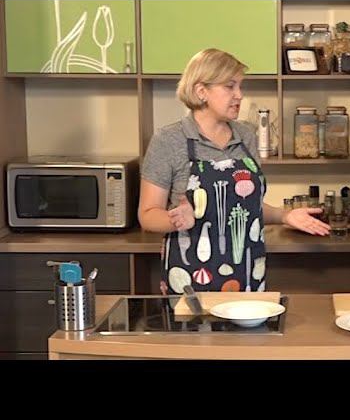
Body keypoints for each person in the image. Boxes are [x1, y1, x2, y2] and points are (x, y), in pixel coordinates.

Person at [139, 48, 330, 294]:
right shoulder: (169, 140)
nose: (239, 95)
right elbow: (147, 215)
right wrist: (175, 220)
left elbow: (245, 205)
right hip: (191, 276)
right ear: (201, 91)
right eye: (230, 86)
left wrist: (285, 216)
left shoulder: (245, 135)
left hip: (247, 271)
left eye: (240, 86)